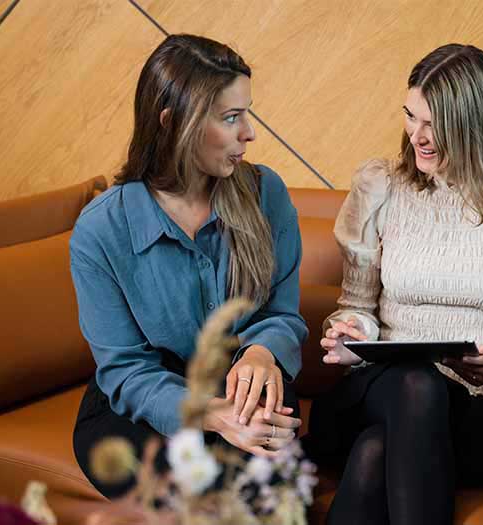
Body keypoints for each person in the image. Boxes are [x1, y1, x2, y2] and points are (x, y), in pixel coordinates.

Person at [308, 43, 483, 525]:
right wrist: (353, 334)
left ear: (475, 124)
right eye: (410, 117)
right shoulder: (382, 185)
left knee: (376, 450)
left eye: (433, 124)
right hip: (380, 393)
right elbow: (357, 306)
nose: (416, 136)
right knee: (417, 384)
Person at [70, 34, 307, 498]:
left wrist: (262, 354)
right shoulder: (100, 230)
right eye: (231, 117)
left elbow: (282, 314)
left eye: (247, 113)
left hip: (245, 384)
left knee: (263, 492)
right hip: (142, 403)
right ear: (173, 122)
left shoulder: (267, 194)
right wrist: (211, 416)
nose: (249, 133)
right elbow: (126, 370)